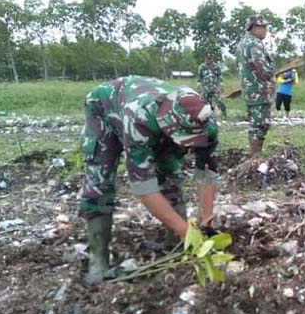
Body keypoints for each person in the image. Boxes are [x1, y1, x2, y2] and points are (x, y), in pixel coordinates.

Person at [78, 75, 219, 281]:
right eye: (183, 139)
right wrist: (185, 229)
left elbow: (207, 171)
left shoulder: (205, 121)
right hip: (106, 110)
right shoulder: (140, 119)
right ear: (167, 125)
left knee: (170, 174)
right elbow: (144, 188)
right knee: (101, 180)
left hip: (158, 123)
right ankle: (98, 260)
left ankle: (177, 246)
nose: (187, 147)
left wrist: (206, 221)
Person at [237, 14, 275, 154]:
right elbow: (263, 68)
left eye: (266, 27)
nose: (265, 30)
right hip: (259, 90)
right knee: (261, 124)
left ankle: (254, 154)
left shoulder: (243, 43)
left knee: (254, 124)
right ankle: (255, 154)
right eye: (262, 27)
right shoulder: (254, 44)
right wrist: (272, 76)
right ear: (253, 28)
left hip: (250, 90)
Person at [197, 52, 227, 118]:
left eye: (210, 59)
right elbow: (199, 78)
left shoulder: (216, 67)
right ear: (205, 59)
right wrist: (199, 87)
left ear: (212, 59)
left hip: (215, 87)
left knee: (219, 101)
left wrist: (220, 86)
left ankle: (224, 113)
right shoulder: (202, 67)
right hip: (206, 88)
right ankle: (210, 115)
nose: (209, 60)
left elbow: (220, 77)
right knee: (206, 103)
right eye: (207, 59)